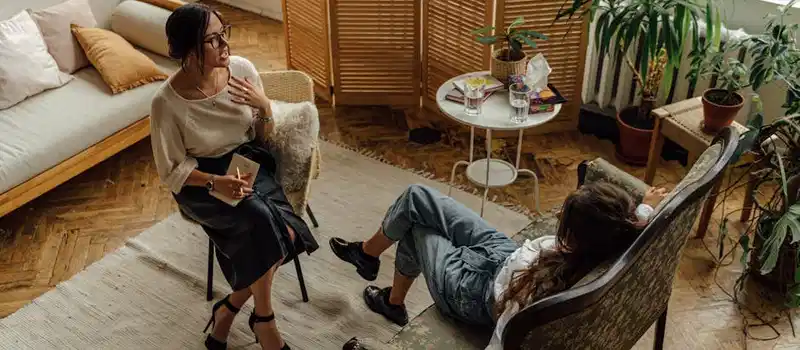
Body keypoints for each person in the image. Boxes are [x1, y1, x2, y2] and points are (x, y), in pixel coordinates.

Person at [151, 4, 319, 350]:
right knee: (264, 223)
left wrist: (265, 107)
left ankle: (230, 309)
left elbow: (260, 139)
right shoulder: (166, 104)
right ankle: (265, 322)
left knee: (284, 231)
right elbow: (171, 171)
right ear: (188, 50)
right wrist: (214, 183)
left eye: (223, 32)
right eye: (212, 40)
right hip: (199, 181)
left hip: (247, 163)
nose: (225, 45)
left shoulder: (241, 69)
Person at [332, 182, 667, 349]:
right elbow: (636, 220)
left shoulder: (537, 292)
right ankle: (368, 255)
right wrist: (646, 208)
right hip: (504, 253)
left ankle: (392, 300)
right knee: (416, 196)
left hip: (473, 292)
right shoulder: (618, 236)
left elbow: (506, 339)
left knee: (415, 227)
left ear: (578, 239)